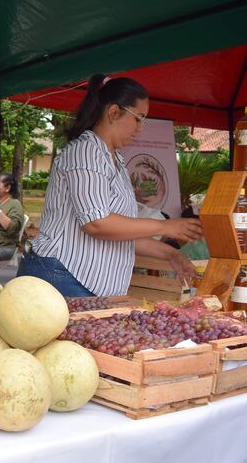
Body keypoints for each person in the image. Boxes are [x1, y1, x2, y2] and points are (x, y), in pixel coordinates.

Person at [17, 74, 202, 297]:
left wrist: (170, 254)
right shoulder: (86, 151)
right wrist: (165, 227)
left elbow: (120, 234)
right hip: (63, 278)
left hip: (85, 284)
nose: (141, 128)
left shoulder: (114, 160)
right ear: (113, 112)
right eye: (139, 118)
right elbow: (97, 224)